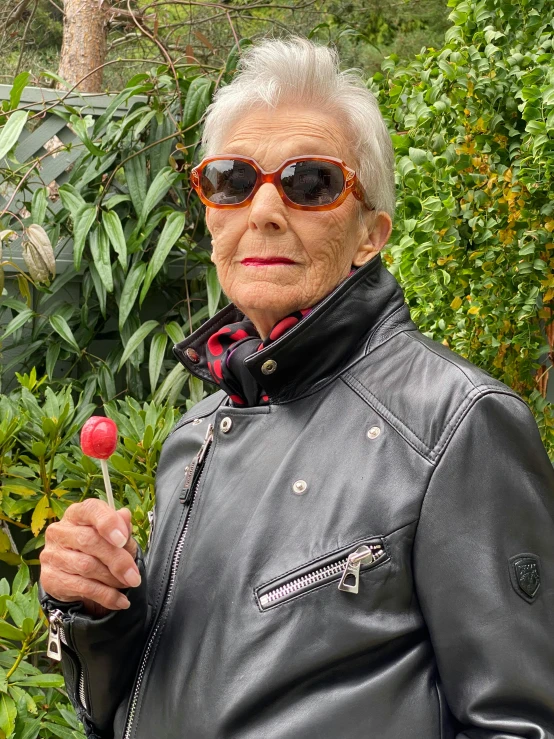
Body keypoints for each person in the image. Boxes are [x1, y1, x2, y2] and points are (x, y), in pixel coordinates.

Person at [39, 37, 554, 739]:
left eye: (311, 182)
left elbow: (522, 724)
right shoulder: (196, 436)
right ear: (211, 216)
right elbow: (116, 709)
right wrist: (96, 611)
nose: (266, 209)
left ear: (370, 234)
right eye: (232, 180)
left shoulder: (455, 424)